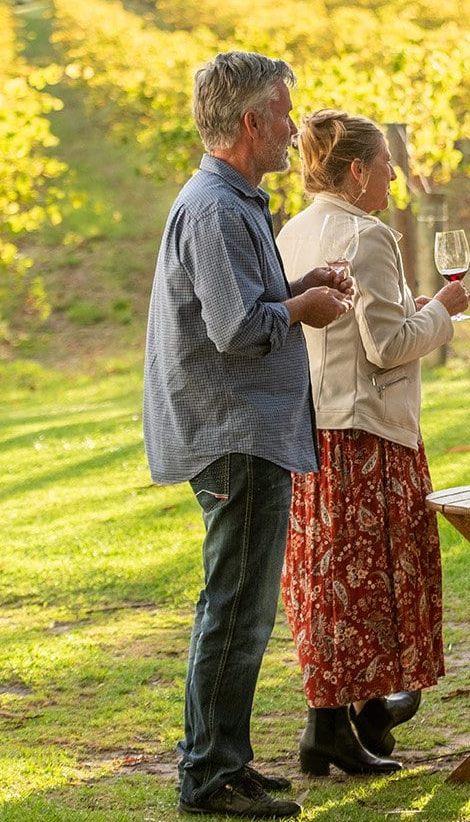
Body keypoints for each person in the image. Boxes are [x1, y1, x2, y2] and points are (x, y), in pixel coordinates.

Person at [143, 51, 353, 819]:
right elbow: (236, 328)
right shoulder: (216, 207)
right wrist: (302, 312)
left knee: (240, 605)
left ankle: (225, 762)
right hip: (235, 434)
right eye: (285, 114)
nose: (295, 129)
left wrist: (300, 288)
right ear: (250, 122)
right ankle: (208, 776)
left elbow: (245, 304)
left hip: (246, 432)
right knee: (235, 607)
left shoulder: (234, 201)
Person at [275, 110, 470, 776]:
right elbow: (387, 348)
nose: (393, 173)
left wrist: (414, 310)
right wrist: (443, 311)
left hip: (312, 434)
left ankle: (331, 726)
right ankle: (375, 711)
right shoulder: (369, 236)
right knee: (373, 584)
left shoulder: (290, 233)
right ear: (357, 171)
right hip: (367, 436)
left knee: (327, 583)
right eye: (385, 162)